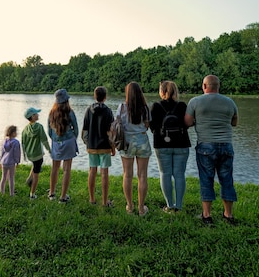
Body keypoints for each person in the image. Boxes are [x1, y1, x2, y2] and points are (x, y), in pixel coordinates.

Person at [185, 74, 239, 225]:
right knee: (227, 180)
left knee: (206, 180)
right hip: (226, 145)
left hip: (205, 146)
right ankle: (228, 215)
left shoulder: (195, 101)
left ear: (204, 86)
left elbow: (187, 122)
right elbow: (234, 122)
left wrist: (199, 120)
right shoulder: (229, 102)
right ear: (218, 87)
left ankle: (207, 215)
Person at [149, 80, 191, 213]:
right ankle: (178, 206)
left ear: (161, 92)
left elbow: (152, 127)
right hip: (181, 144)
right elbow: (188, 124)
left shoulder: (155, 106)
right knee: (179, 175)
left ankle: (169, 206)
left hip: (162, 145)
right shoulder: (182, 106)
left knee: (165, 174)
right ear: (175, 91)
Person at [118, 81, 152, 216]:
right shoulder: (145, 108)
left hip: (127, 143)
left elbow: (118, 124)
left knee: (127, 174)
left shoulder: (121, 107)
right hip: (142, 141)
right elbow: (147, 125)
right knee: (142, 175)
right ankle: (141, 208)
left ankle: (130, 206)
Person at [81, 86, 115, 207]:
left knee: (92, 171)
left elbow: (84, 131)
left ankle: (92, 199)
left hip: (92, 146)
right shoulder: (108, 111)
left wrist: (87, 143)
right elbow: (111, 132)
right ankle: (105, 202)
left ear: (94, 96)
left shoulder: (88, 110)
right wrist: (113, 147)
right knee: (104, 173)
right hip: (104, 146)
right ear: (105, 97)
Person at [47, 88, 79, 203]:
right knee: (67, 170)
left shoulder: (52, 113)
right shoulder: (70, 112)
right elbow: (76, 128)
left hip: (56, 142)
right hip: (69, 141)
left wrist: (56, 139)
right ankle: (63, 196)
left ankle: (51, 193)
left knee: (54, 168)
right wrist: (72, 138)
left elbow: (49, 131)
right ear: (66, 100)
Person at [21, 107, 51, 199]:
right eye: (36, 114)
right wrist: (49, 150)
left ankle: (29, 179)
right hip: (38, 155)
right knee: (36, 174)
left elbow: (23, 143)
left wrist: (25, 155)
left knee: (35, 166)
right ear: (33, 116)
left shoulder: (25, 129)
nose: (38, 115)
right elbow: (44, 140)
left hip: (30, 154)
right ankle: (32, 194)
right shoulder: (39, 127)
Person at [0, 125, 21, 196]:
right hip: (11, 163)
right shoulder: (16, 142)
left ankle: (2, 193)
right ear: (13, 133)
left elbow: (2, 152)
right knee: (11, 178)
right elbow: (16, 153)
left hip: (4, 162)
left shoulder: (4, 141)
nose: (17, 133)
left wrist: (0, 161)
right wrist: (17, 161)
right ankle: (11, 194)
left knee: (3, 177)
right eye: (16, 132)